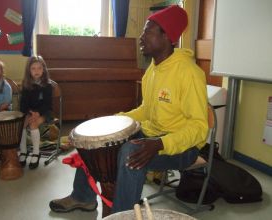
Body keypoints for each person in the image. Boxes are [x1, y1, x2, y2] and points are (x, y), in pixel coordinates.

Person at [49, 5, 208, 214]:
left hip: (182, 147)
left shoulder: (190, 73)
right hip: (152, 135)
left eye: (148, 31)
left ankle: (122, 215)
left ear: (167, 36)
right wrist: (112, 120)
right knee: (96, 140)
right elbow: (146, 110)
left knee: (129, 152)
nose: (141, 37)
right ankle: (83, 197)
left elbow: (199, 127)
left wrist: (160, 143)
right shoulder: (152, 70)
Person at [19, 55, 53, 169]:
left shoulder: (48, 85)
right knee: (22, 123)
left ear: (43, 69)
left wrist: (38, 113)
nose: (36, 71)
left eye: (39, 68)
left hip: (45, 112)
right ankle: (23, 151)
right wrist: (29, 112)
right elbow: (23, 103)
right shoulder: (26, 84)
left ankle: (36, 152)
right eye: (33, 68)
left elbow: (48, 105)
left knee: (33, 124)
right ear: (29, 70)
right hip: (30, 112)